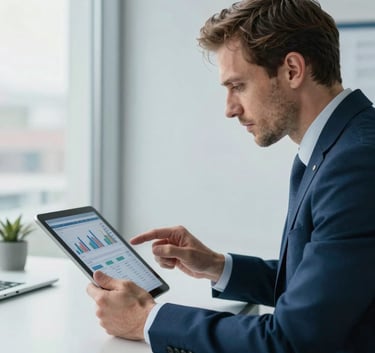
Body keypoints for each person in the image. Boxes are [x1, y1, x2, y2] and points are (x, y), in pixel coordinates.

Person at [87, 0, 375, 352]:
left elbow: (293, 339)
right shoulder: (340, 145)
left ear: (292, 70)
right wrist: (216, 265)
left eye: (237, 85)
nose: (229, 108)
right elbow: (325, 289)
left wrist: (146, 320)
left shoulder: (356, 162)